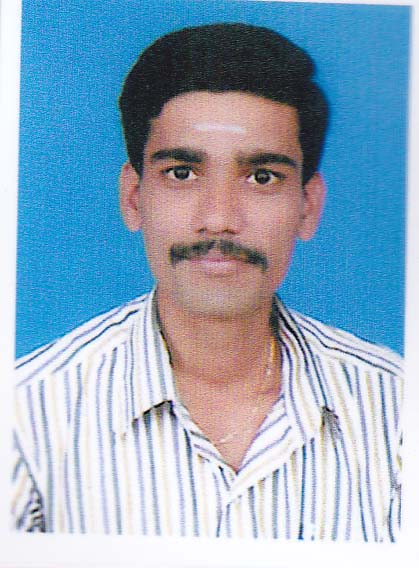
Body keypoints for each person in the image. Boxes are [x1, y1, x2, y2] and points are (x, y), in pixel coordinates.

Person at [12, 23, 403, 541]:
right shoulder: (26, 415)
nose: (218, 219)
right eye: (182, 173)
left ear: (308, 206)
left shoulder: (397, 410)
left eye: (262, 177)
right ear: (133, 198)